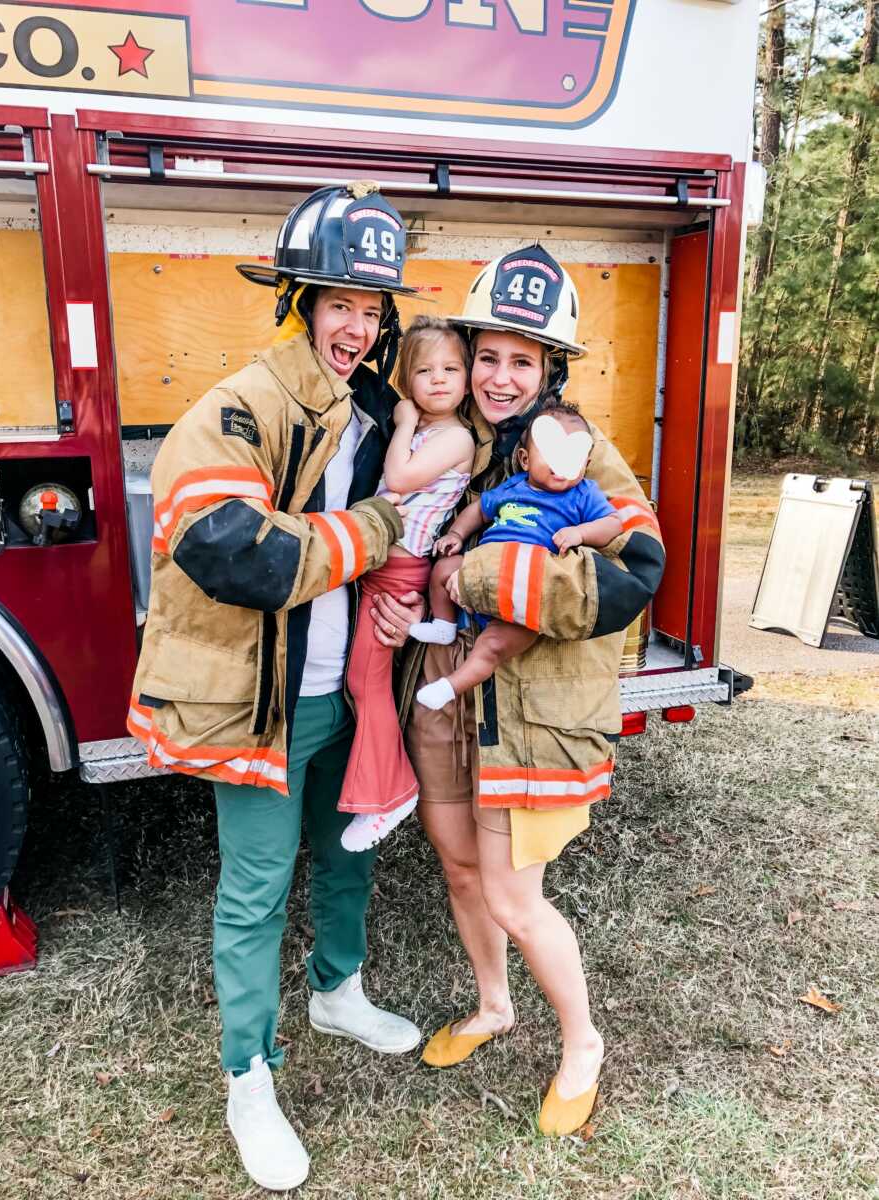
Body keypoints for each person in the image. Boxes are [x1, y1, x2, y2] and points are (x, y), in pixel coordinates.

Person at [127, 183, 428, 1192]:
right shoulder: (238, 407)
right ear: (297, 299)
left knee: (352, 848)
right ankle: (247, 1077)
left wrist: (395, 595)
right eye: (339, 300)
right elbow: (237, 554)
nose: (357, 325)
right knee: (255, 891)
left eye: (372, 306)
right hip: (268, 700)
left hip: (356, 686)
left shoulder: (378, 407)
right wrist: (377, 531)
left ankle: (338, 990)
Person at [400, 244, 665, 1137]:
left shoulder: (582, 452)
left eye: (523, 360)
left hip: (536, 720)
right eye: (489, 356)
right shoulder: (461, 442)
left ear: (550, 370)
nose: (501, 376)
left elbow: (636, 567)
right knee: (460, 866)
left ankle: (583, 1042)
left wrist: (480, 580)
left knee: (516, 896)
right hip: (447, 697)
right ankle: (492, 1006)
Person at [337, 316, 474, 851]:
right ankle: (381, 786)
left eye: (450, 369)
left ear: (465, 378)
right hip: (379, 568)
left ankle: (390, 794)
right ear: (406, 376)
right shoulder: (423, 433)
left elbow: (398, 481)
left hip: (399, 572)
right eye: (423, 370)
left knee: (364, 682)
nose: (438, 379)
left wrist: (402, 421)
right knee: (361, 681)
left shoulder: (455, 436)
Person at [411, 401, 622, 708]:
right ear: (524, 459)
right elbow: (479, 510)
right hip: (478, 573)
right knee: (443, 569)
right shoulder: (513, 487)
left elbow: (613, 524)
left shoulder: (583, 494)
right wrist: (456, 535)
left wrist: (581, 533)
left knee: (491, 647)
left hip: (524, 599)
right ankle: (444, 626)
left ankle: (449, 687)